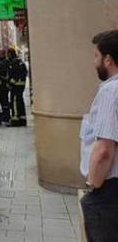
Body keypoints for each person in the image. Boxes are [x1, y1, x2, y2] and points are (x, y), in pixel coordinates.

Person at [79, 30, 118, 241]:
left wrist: (92, 185)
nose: (94, 62)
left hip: (108, 192)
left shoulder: (110, 92)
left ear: (108, 60)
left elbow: (104, 149)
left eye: (96, 56)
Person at [5, 49, 28, 127]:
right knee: (20, 102)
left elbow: (13, 75)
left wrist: (10, 84)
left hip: (16, 86)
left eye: (7, 54)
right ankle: (22, 119)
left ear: (10, 54)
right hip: (21, 86)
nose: (7, 56)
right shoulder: (20, 62)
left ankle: (15, 120)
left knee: (14, 102)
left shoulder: (13, 63)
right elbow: (24, 73)